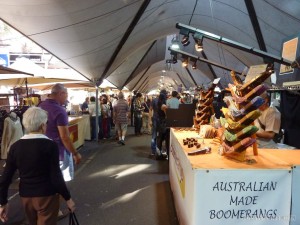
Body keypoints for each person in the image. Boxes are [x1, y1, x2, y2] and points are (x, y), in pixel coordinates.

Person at [0, 107, 75, 225]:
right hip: (47, 195)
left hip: (26, 196)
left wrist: (3, 202)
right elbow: (56, 176)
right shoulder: (50, 145)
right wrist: (68, 198)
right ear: (42, 125)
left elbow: (6, 178)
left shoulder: (15, 147)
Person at [39, 83, 82, 182]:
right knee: (61, 184)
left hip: (42, 151)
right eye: (66, 95)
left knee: (48, 183)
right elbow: (64, 137)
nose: (66, 98)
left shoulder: (40, 106)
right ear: (61, 93)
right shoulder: (59, 110)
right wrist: (75, 153)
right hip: (59, 153)